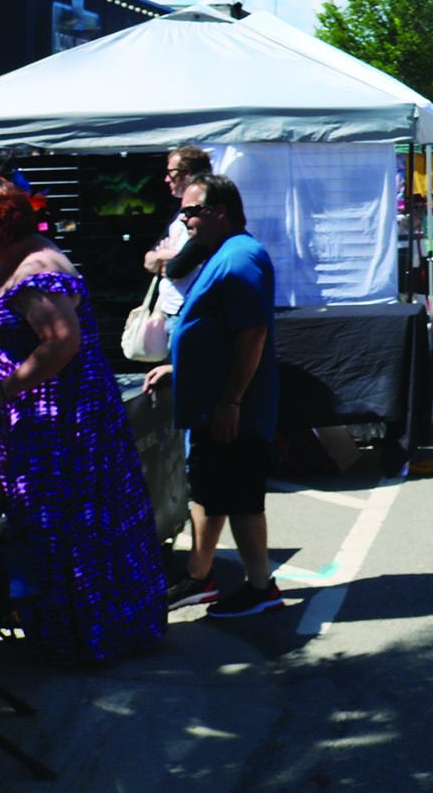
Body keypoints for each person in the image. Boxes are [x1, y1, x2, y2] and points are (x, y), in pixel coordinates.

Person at [0, 178, 165, 662]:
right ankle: (59, 627)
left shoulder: (36, 269)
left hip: (63, 422)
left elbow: (62, 342)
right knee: (43, 520)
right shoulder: (8, 260)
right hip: (36, 418)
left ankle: (87, 635)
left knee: (68, 521)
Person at [148, 173, 286, 617]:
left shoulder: (243, 257)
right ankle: (199, 575)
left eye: (191, 211)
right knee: (210, 489)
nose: (184, 219)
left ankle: (260, 587)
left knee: (242, 495)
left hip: (232, 410)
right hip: (213, 405)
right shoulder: (223, 254)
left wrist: (231, 401)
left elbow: (252, 334)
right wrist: (180, 365)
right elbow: (217, 329)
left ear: (218, 212)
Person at [143, 144, 213, 327]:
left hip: (187, 311)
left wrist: (167, 257)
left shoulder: (205, 215)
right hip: (170, 310)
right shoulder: (179, 215)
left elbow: (176, 267)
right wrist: (163, 255)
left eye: (171, 172)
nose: (167, 179)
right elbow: (149, 260)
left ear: (187, 173)